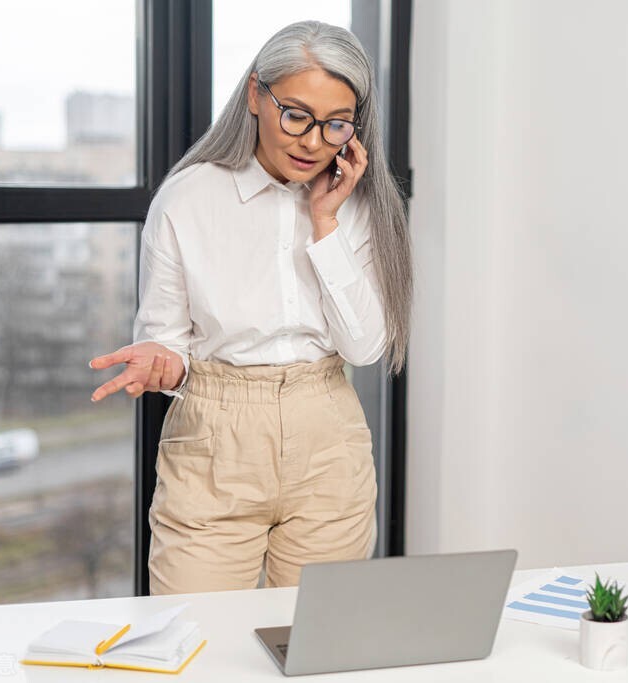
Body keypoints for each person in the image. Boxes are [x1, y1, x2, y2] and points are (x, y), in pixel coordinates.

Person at [87, 20, 412, 594]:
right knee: (196, 644)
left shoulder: (358, 203)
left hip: (327, 435)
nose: (314, 142)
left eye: (336, 125)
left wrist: (326, 223)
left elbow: (364, 348)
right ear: (256, 95)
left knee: (317, 646)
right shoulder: (188, 198)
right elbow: (168, 341)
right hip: (214, 440)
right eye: (297, 116)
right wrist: (165, 363)